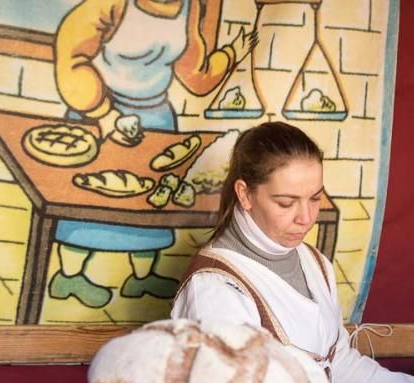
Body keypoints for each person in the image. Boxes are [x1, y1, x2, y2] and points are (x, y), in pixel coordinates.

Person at [171, 122, 414, 383]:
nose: (306, 217)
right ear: (245, 194)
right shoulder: (215, 288)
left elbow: (335, 363)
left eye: (315, 198)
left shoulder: (313, 262)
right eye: (286, 202)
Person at [50, 0, 258, 308]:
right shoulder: (110, 5)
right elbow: (71, 58)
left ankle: (142, 277)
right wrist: (103, 114)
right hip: (102, 113)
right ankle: (69, 275)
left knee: (152, 201)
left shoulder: (189, 9)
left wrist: (230, 55)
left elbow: (194, 73)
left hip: (156, 116)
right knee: (95, 198)